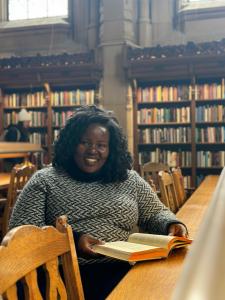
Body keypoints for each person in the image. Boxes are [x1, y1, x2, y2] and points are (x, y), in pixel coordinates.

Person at [9, 105, 188, 300]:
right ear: (71, 143)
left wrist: (171, 224)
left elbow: (155, 213)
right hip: (63, 279)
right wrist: (74, 241)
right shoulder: (45, 180)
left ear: (111, 149)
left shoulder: (129, 179)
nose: (92, 151)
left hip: (126, 270)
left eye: (101, 145)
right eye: (84, 142)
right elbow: (22, 235)